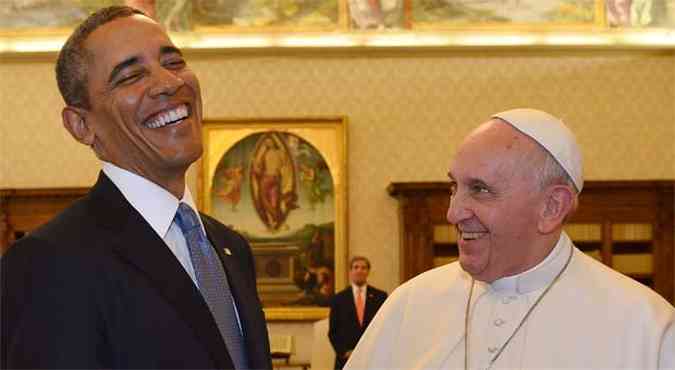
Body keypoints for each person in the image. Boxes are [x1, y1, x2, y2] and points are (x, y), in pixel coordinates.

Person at [0, 6, 272, 370]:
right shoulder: (51, 262)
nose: (169, 83)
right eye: (129, 76)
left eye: (173, 62)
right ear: (81, 125)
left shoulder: (230, 249)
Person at [345, 109, 674, 369]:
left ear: (551, 207)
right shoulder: (409, 305)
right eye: (453, 187)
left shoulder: (646, 328)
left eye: (480, 189)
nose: (453, 213)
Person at [329, 256, 387, 370]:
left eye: (363, 268)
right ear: (350, 272)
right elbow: (333, 331)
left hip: (372, 358)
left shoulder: (380, 297)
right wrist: (344, 352)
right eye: (356, 267)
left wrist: (374, 351)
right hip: (346, 359)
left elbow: (384, 327)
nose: (359, 270)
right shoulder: (339, 299)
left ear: (368, 271)